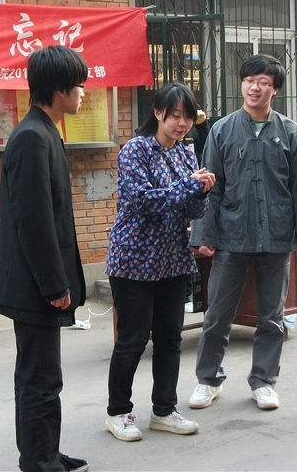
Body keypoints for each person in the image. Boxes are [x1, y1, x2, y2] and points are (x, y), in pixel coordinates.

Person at [188, 54, 297, 411]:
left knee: (271, 317)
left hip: (277, 236)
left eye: (263, 82)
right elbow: (211, 187)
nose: (254, 87)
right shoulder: (222, 130)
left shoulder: (290, 132)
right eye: (249, 80)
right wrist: (204, 235)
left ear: (275, 89)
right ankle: (208, 380)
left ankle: (264, 381)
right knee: (218, 313)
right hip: (231, 235)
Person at [0, 46, 89, 472]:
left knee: (45, 377)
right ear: (59, 89)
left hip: (39, 282)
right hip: (34, 286)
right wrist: (54, 285)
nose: (83, 93)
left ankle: (46, 451)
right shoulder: (31, 137)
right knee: (39, 379)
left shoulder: (44, 131)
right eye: (79, 85)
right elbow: (33, 221)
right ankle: (38, 461)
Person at [104, 82, 216, 442]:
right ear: (157, 113)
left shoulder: (185, 153)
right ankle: (118, 412)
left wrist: (202, 192)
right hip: (134, 260)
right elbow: (142, 201)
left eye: (188, 117)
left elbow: (192, 210)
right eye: (175, 116)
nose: (182, 124)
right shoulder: (135, 150)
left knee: (170, 339)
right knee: (133, 339)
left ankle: (164, 410)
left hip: (172, 259)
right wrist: (188, 186)